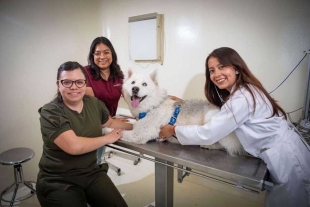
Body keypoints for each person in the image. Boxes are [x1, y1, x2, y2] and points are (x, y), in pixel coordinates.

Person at [160, 47, 310, 207]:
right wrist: (185, 103)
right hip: (287, 150)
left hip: (288, 159)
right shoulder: (246, 90)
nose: (216, 74)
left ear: (236, 68)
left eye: (222, 66)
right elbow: (225, 115)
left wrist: (173, 129)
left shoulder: (241, 98)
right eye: (212, 70)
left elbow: (208, 134)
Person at [37, 61, 132, 207]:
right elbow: (74, 146)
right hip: (59, 179)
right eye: (67, 82)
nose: (74, 87)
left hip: (91, 172)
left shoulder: (94, 103)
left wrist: (142, 126)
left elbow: (110, 123)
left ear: (85, 84)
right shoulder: (51, 111)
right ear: (58, 85)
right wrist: (107, 138)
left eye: (79, 82)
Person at [84, 36, 127, 164]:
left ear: (112, 54)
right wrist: (112, 121)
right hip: (90, 125)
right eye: (97, 53)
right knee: (89, 162)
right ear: (92, 56)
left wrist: (140, 115)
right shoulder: (85, 72)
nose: (102, 57)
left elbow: (130, 97)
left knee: (97, 160)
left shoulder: (118, 74)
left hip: (106, 126)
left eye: (106, 52)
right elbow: (93, 104)